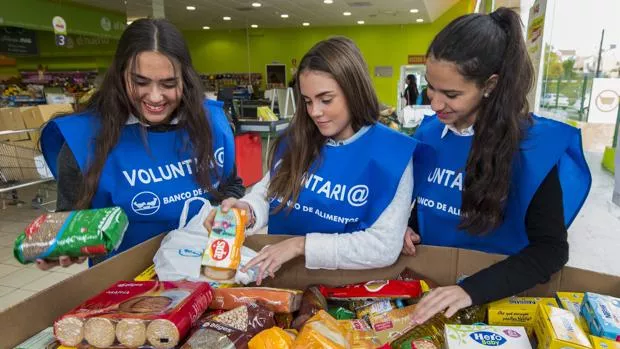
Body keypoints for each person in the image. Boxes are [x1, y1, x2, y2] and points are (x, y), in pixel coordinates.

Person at [403, 8, 591, 325]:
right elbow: (427, 205)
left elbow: (551, 250)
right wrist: (408, 229)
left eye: (451, 94)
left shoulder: (533, 148)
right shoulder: (429, 133)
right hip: (431, 291)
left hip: (498, 300)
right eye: (431, 87)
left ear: (490, 85)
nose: (435, 104)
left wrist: (470, 291)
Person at [206, 37, 420, 284]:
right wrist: (247, 211)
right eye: (307, 101)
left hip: (355, 288)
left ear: (354, 91)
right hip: (285, 281)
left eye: (326, 100)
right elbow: (269, 193)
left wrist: (301, 245)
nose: (315, 112)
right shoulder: (297, 139)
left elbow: (383, 246)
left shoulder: (392, 153)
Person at [39, 19, 245, 269]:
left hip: (203, 278)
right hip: (123, 287)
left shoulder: (211, 125)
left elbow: (231, 186)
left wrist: (229, 209)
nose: (155, 97)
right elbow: (70, 218)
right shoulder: (85, 141)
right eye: (140, 82)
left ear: (185, 80)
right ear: (120, 76)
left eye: (169, 84)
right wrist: (63, 246)